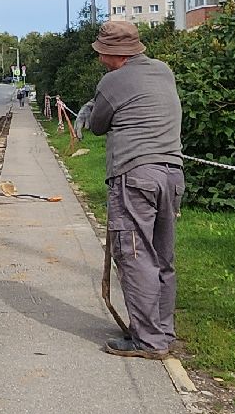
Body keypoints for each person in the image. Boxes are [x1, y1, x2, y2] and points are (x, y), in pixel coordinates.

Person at [78, 19, 185, 359]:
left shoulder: (114, 80)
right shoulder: (163, 70)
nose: (99, 59)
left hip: (135, 175)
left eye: (102, 53)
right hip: (172, 175)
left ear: (115, 54)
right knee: (161, 257)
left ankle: (148, 340)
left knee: (135, 256)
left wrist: (88, 109)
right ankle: (161, 331)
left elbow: (97, 125)